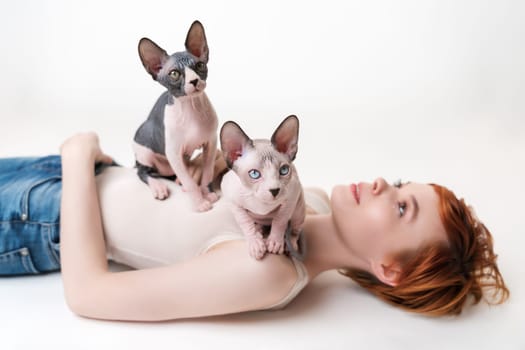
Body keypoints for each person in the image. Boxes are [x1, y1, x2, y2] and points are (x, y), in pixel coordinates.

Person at [0, 132, 508, 321]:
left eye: (401, 208)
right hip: (73, 175)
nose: (380, 182)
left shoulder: (272, 271)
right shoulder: (308, 200)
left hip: (36, 216)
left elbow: (89, 294)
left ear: (389, 270)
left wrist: (76, 155)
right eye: (401, 184)